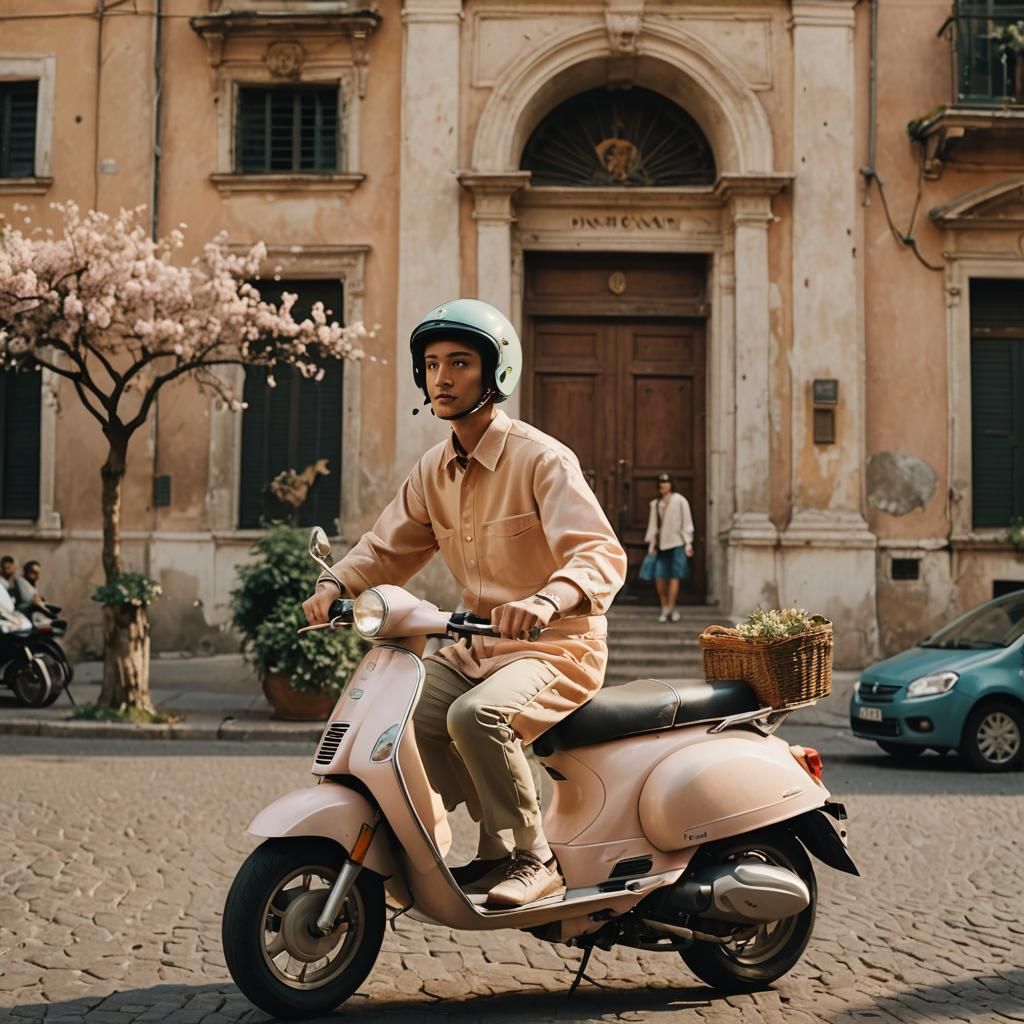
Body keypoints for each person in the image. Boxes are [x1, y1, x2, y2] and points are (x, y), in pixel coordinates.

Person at [303, 299, 627, 908]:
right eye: (430, 365)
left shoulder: (542, 459)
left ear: (496, 373)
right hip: (477, 647)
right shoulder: (434, 470)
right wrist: (334, 585)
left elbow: (601, 555)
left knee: (476, 716)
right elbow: (386, 547)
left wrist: (548, 599)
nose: (442, 378)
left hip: (557, 648)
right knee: (394, 718)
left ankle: (535, 857)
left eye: (459, 363)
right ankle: (490, 847)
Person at [644, 473, 694, 623]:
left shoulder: (680, 501)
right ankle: (664, 606)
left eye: (666, 483)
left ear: (671, 484)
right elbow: (653, 525)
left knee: (674, 576)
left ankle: (670, 607)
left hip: (677, 543)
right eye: (661, 483)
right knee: (660, 576)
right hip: (661, 545)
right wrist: (652, 545)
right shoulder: (656, 503)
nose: (663, 486)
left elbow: (687, 522)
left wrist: (688, 542)